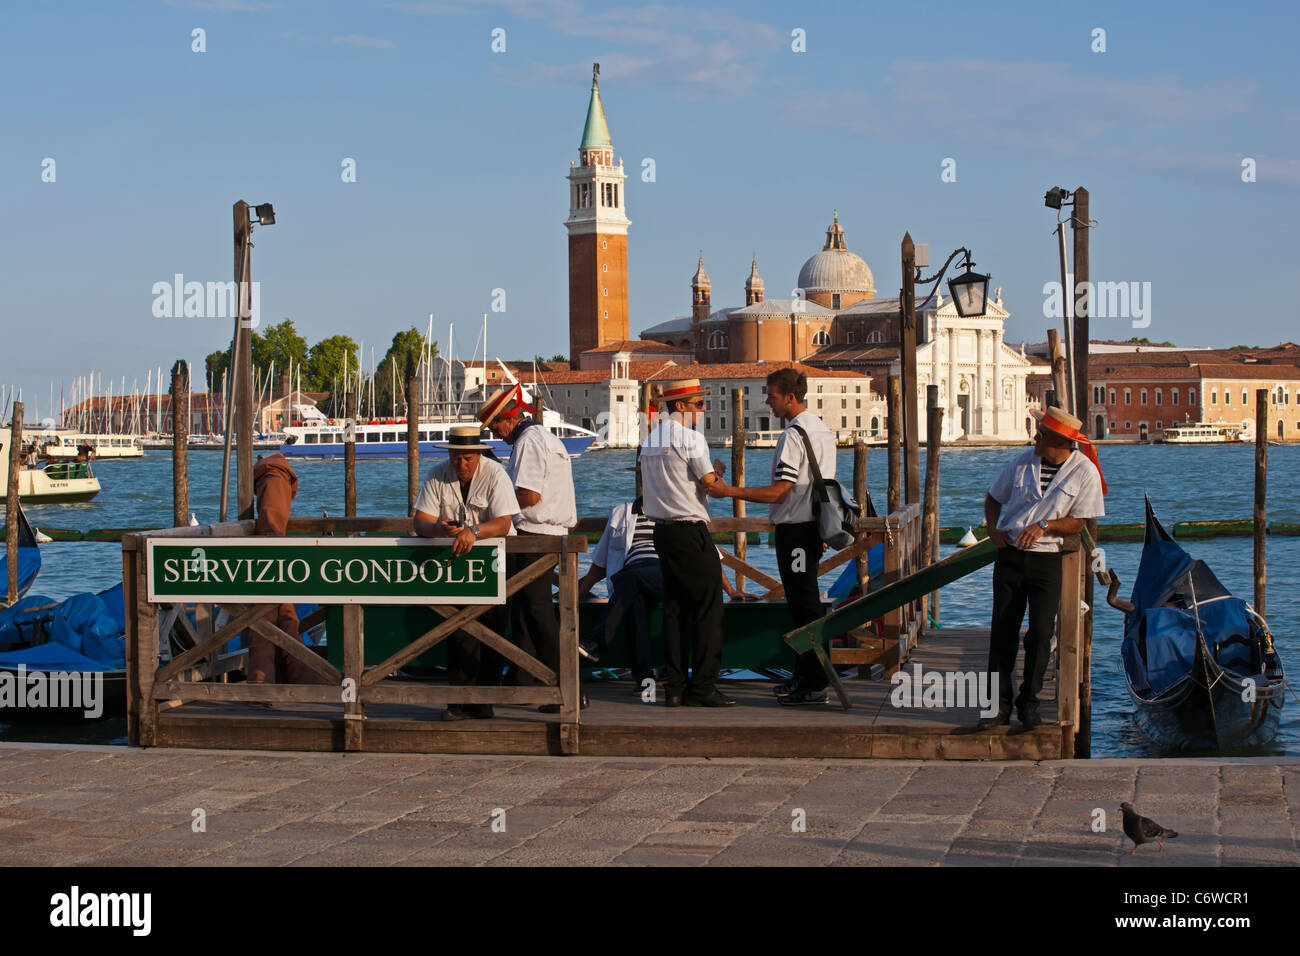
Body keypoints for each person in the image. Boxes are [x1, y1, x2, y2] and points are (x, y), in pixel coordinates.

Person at [708, 367, 836, 705]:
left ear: (789, 397)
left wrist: (729, 491)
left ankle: (813, 683)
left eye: (772, 395)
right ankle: (805, 676)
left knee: (803, 606)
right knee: (804, 602)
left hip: (795, 531)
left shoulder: (793, 435)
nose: (767, 401)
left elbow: (780, 492)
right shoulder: (822, 429)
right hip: (813, 528)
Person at [981, 405, 1106, 730]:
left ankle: (1029, 702)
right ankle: (997, 706)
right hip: (1009, 554)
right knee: (1002, 633)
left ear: (1056, 441)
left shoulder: (1084, 472)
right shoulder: (1022, 463)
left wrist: (1045, 525)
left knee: (1040, 634)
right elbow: (993, 497)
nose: (1035, 437)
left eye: (1041, 434)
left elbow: (1079, 522)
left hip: (1047, 559)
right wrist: (993, 528)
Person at [578, 476, 756, 691]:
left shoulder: (676, 515)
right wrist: (580, 591)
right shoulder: (621, 512)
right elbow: (600, 561)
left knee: (629, 580)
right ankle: (645, 681)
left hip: (666, 572)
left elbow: (708, 557)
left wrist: (730, 590)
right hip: (632, 576)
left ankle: (597, 642)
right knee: (634, 599)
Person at [478, 384, 581, 713]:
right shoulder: (544, 438)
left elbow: (528, 497)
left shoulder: (528, 442)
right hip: (549, 534)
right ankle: (522, 682)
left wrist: (492, 494)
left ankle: (569, 685)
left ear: (508, 420)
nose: (497, 433)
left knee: (536, 612)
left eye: (496, 427)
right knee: (525, 611)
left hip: (534, 536)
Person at [412, 424, 519, 721]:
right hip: (457, 563)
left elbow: (504, 523)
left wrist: (473, 531)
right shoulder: (437, 474)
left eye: (468, 458)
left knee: (493, 628)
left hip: (496, 562)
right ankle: (457, 700)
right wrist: (438, 529)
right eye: (456, 458)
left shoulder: (496, 474)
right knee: (457, 629)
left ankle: (484, 699)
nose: (461, 464)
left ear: (479, 455)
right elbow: (420, 521)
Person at [639, 378, 734, 707]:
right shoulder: (692, 439)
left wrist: (709, 476)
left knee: (675, 611)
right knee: (709, 609)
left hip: (662, 532)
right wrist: (722, 480)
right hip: (690, 531)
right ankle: (704, 686)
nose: (703, 409)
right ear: (679, 406)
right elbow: (711, 486)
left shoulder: (651, 439)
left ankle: (675, 687)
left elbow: (674, 481)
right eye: (698, 403)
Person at [247, 453, 328, 685]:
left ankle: (262, 682)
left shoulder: (271, 480)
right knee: (283, 618)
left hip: (268, 558)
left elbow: (270, 525)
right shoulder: (276, 480)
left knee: (269, 621)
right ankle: (293, 679)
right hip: (274, 557)